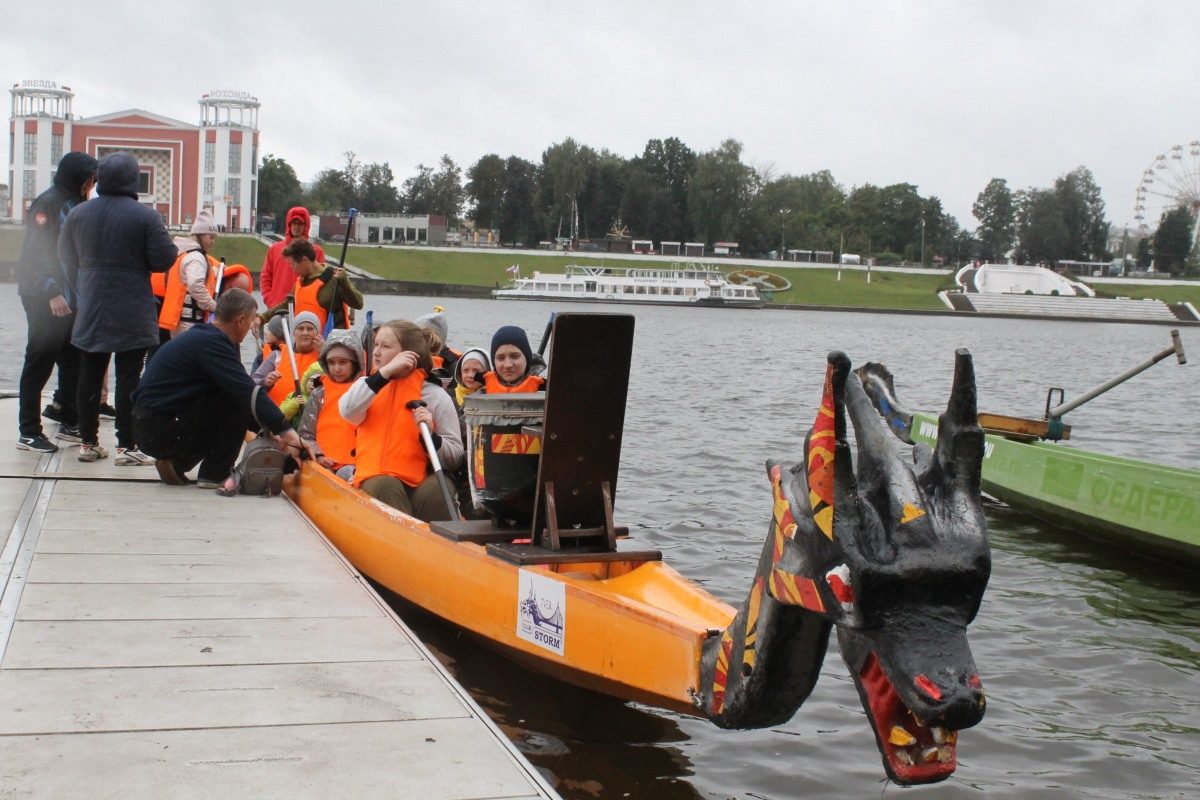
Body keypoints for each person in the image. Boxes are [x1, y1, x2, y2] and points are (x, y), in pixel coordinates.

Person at [58, 151, 178, 464]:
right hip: (133, 310)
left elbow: (65, 256)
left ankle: (88, 442)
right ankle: (127, 446)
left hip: (92, 307)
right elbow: (164, 259)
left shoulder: (79, 214)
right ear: (133, 179)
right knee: (130, 379)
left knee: (89, 376)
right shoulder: (146, 216)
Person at [132, 288, 303, 488]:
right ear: (240, 320)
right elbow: (247, 391)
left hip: (151, 424)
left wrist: (266, 429)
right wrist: (286, 430)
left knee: (229, 393)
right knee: (236, 399)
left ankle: (177, 462)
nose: (249, 329)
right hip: (160, 429)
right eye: (249, 322)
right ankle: (214, 474)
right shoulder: (213, 344)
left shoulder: (203, 337)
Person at [338, 319, 462, 521]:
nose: (376, 352)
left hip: (418, 478)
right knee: (386, 485)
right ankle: (402, 542)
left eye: (385, 346)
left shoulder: (434, 396)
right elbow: (347, 410)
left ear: (409, 354)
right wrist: (384, 373)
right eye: (376, 344)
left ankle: (439, 545)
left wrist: (431, 436)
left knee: (439, 490)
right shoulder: (366, 387)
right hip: (375, 479)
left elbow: (455, 457)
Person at [16, 151, 98, 453]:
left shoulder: (77, 203)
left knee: (71, 356)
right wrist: (51, 292)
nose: (92, 183)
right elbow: (36, 254)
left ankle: (67, 416)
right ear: (77, 176)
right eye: (89, 177)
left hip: (70, 296)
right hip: (43, 295)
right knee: (40, 358)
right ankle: (28, 431)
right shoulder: (48, 204)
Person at [298, 330, 364, 475]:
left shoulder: (364, 391)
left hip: (355, 466)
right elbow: (306, 434)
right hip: (323, 463)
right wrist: (318, 455)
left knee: (347, 473)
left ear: (355, 364)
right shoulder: (319, 393)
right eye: (331, 363)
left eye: (343, 362)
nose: (337, 368)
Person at [259, 239, 362, 331]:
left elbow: (358, 303)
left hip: (331, 346)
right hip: (306, 344)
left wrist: (344, 281)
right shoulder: (301, 281)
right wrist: (262, 318)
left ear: (305, 260)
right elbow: (287, 305)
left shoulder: (335, 278)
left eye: (292, 264)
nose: (292, 269)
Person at [159, 210, 220, 337]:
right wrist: (213, 306)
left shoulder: (184, 253)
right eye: (211, 237)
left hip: (180, 318)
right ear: (201, 235)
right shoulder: (196, 257)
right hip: (189, 321)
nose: (213, 242)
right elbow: (195, 285)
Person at [253, 311, 323, 406]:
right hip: (277, 413)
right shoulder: (278, 354)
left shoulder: (324, 356)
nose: (305, 333)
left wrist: (325, 352)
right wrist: (266, 381)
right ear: (293, 333)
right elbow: (253, 381)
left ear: (317, 333)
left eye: (310, 329)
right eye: (300, 328)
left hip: (307, 415)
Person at [259, 206, 325, 307]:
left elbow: (321, 281)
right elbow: (265, 277)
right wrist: (269, 299)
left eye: (300, 224)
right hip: (277, 307)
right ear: (289, 225)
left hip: (304, 308)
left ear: (306, 226)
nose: (297, 227)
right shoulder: (274, 249)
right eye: (294, 223)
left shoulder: (316, 251)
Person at [483, 325, 546, 394]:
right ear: (494, 362)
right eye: (500, 358)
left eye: (515, 356)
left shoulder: (545, 388)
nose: (508, 365)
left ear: (527, 359)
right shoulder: (480, 383)